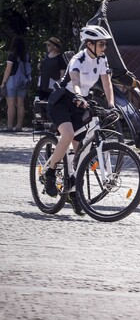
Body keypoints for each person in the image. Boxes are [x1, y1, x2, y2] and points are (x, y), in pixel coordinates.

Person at [44, 25, 115, 204]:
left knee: (80, 148)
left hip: (80, 102)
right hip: (63, 101)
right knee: (67, 135)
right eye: (101, 44)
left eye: (105, 45)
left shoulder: (102, 60)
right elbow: (75, 80)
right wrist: (77, 94)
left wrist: (112, 105)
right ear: (89, 44)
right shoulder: (79, 58)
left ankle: (74, 188)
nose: (104, 48)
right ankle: (50, 172)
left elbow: (107, 84)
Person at [1, 36, 31, 132]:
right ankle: (19, 126)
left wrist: (3, 82)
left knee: (11, 105)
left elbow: (8, 70)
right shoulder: (26, 56)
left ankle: (9, 126)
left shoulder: (12, 55)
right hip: (23, 81)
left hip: (12, 81)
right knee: (21, 104)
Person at [37, 37, 67, 101]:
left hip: (52, 87)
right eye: (46, 45)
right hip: (42, 85)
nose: (47, 46)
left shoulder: (60, 58)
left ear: (54, 46)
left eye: (48, 45)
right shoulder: (46, 55)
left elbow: (62, 73)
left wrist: (59, 85)